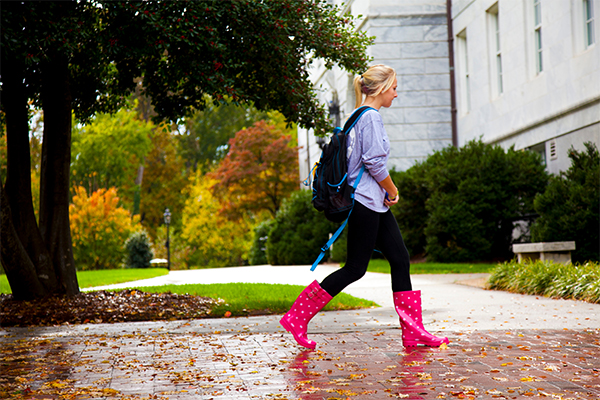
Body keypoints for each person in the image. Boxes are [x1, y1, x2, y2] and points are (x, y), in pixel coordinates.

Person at [280, 64, 449, 349]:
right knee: (355, 268)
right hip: (365, 203)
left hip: (373, 202)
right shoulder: (370, 117)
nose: (396, 94)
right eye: (394, 88)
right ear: (382, 88)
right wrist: (393, 190)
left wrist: (384, 193)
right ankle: (297, 316)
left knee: (399, 258)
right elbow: (374, 162)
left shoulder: (359, 115)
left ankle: (413, 331)